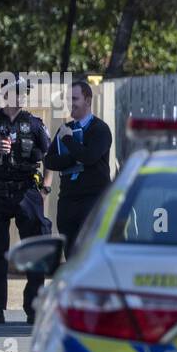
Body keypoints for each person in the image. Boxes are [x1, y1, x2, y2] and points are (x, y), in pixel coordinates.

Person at [0, 74, 52, 324]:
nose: (22, 96)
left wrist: (46, 189)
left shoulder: (35, 124)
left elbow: (51, 157)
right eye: (17, 91)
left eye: (24, 92)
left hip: (27, 190)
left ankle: (34, 309)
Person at [45, 80, 112, 257]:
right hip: (68, 201)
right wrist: (75, 157)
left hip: (93, 200)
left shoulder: (100, 129)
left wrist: (69, 142)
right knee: (71, 254)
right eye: (67, 98)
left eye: (74, 98)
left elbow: (90, 157)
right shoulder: (65, 129)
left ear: (88, 101)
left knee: (89, 254)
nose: (69, 103)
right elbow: (49, 161)